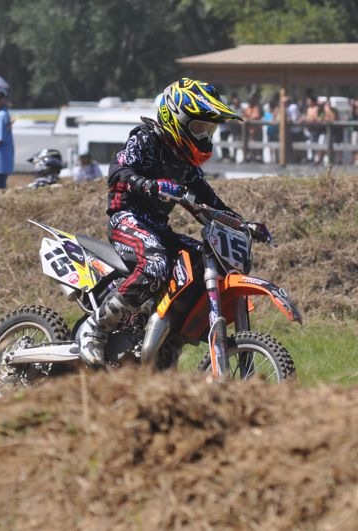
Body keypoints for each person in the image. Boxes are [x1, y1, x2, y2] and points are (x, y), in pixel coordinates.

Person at [79, 78, 252, 366]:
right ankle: (96, 328)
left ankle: (169, 339)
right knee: (156, 264)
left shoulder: (185, 162)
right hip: (127, 218)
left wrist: (243, 224)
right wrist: (150, 185)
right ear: (176, 120)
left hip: (157, 227)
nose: (204, 136)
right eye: (199, 128)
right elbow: (118, 172)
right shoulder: (146, 139)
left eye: (209, 130)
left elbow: (209, 198)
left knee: (200, 260)